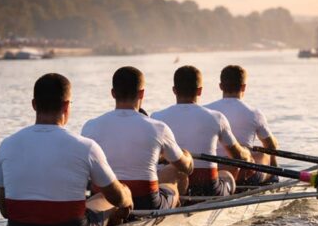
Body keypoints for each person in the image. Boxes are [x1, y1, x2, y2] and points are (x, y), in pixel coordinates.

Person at [0, 73, 132, 226]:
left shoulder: (7, 144)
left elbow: (4, 211)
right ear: (67, 106)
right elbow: (116, 198)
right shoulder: (86, 146)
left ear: (34, 105)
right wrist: (127, 198)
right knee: (111, 196)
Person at [82, 66, 193, 211]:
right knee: (178, 173)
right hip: (147, 201)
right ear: (141, 94)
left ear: (113, 93)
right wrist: (187, 156)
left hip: (107, 201)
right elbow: (187, 168)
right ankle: (177, 210)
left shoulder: (90, 126)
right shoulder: (159, 128)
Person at [153, 65, 252, 197]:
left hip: (172, 182)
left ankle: (175, 198)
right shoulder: (217, 117)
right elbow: (237, 155)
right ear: (200, 91)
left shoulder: (156, 117)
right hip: (206, 187)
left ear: (174, 90)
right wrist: (248, 156)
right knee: (227, 174)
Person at [206, 65, 280, 184]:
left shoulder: (206, 110)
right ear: (243, 87)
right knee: (267, 154)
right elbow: (272, 146)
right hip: (242, 174)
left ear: (220, 86)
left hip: (211, 171)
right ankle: (274, 181)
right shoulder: (254, 113)